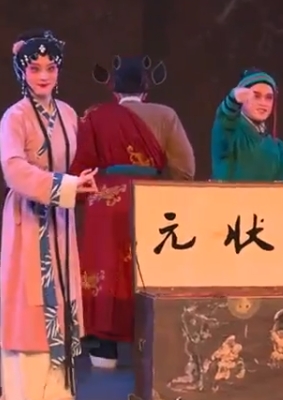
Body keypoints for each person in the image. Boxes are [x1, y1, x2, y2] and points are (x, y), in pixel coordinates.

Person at [69, 55, 195, 369]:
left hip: (105, 201)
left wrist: (84, 198)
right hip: (150, 200)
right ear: (146, 90)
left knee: (105, 267)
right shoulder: (166, 115)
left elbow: (80, 167)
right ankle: (151, 342)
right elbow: (185, 169)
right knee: (147, 269)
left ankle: (104, 349)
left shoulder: (95, 116)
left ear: (114, 90)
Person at [0, 29, 98, 400]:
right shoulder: (15, 117)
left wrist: (81, 183)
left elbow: (74, 162)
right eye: (35, 68)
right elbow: (13, 169)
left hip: (59, 218)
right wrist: (63, 186)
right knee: (29, 305)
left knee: (61, 294)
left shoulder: (68, 113)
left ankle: (58, 391)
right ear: (21, 72)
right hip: (28, 218)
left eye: (50, 68)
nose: (43, 75)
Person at [210, 68, 283, 198]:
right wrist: (232, 100)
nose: (263, 103)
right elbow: (225, 119)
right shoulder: (231, 133)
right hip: (229, 207)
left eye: (269, 98)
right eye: (256, 96)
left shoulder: (276, 146)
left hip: (265, 209)